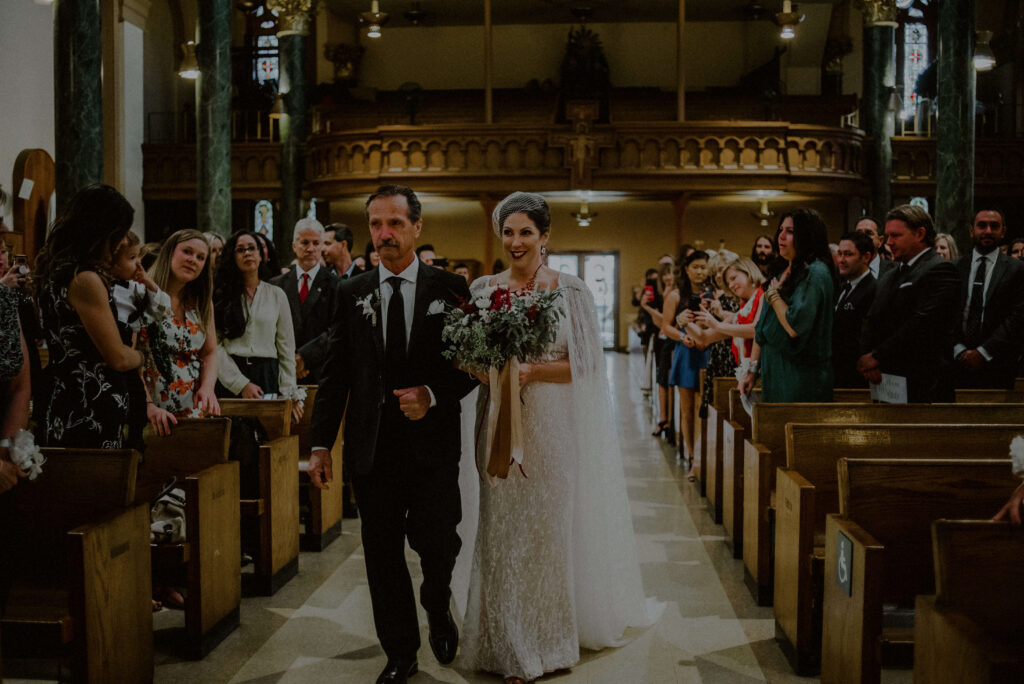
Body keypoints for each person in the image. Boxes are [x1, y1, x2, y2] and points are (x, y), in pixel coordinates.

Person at [459, 191, 657, 684]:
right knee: (501, 529)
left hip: (552, 430)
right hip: (498, 425)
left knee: (548, 532)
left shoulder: (571, 292)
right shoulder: (484, 290)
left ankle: (548, 639)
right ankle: (504, 642)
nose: (516, 241)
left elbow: (586, 365)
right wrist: (486, 369)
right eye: (508, 231)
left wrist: (532, 372)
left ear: (546, 237)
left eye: (526, 232)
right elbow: (466, 357)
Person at [306, 185, 475, 684]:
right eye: (376, 224)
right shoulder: (350, 292)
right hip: (373, 447)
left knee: (439, 543)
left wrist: (432, 392)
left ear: (417, 227)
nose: (384, 234)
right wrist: (320, 444)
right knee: (382, 555)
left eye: (395, 223)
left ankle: (438, 603)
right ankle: (400, 653)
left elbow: (471, 367)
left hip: (433, 446)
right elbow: (336, 374)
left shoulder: (449, 289)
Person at [35, 184, 145, 448]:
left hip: (67, 397)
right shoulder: (84, 279)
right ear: (102, 231)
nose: (120, 242)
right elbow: (117, 357)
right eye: (118, 233)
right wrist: (143, 356)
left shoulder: (58, 270)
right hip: (89, 405)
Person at [858, 204, 961, 402]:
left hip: (924, 382)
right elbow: (871, 318)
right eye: (887, 236)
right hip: (886, 380)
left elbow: (922, 324)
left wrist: (877, 357)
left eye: (896, 236)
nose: (889, 243)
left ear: (920, 234)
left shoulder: (940, 270)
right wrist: (866, 356)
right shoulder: (890, 274)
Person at [740, 209, 836, 402]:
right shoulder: (782, 270)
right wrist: (752, 370)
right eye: (781, 229)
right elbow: (762, 327)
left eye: (790, 231)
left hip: (800, 373)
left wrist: (774, 296)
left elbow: (794, 326)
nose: (781, 236)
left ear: (807, 236)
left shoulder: (816, 272)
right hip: (774, 367)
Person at [213, 231, 303, 421]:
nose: (247, 253)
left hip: (266, 373)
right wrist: (241, 384)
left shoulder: (277, 294)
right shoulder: (222, 295)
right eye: (240, 250)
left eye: (252, 248)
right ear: (232, 256)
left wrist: (289, 393)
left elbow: (286, 348)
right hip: (230, 374)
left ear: (261, 255)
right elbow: (215, 346)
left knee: (264, 440)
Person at [139, 229, 220, 431]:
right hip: (150, 406)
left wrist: (208, 387)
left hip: (190, 404)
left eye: (201, 257)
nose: (193, 260)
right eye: (187, 252)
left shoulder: (200, 301)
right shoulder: (142, 292)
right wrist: (147, 405)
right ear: (169, 253)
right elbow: (133, 355)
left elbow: (210, 352)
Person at [107, 231, 173, 450]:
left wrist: (148, 281)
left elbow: (163, 309)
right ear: (112, 262)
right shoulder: (100, 287)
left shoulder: (137, 288)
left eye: (139, 258)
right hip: (110, 357)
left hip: (130, 360)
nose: (138, 264)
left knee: (135, 417)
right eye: (132, 258)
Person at [952, 209, 1024, 390]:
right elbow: (946, 314)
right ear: (971, 231)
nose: (988, 231)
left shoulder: (1016, 269)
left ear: (1003, 231)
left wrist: (983, 352)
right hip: (956, 363)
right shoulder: (955, 267)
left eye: (994, 226)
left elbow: (1017, 316)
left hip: (998, 362)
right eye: (982, 225)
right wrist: (959, 350)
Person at [270, 218, 341, 385]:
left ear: (322, 246)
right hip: (283, 371)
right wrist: (290, 360)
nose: (310, 248)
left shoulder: (336, 285)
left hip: (321, 371)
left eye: (316, 243)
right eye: (305, 242)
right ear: (294, 246)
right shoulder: (275, 285)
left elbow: (337, 329)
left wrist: (304, 357)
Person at [661, 249, 711, 476]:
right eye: (696, 267)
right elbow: (666, 326)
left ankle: (708, 456)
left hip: (709, 352)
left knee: (709, 409)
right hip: (686, 353)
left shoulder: (714, 294)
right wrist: (683, 336)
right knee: (688, 409)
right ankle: (693, 458)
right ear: (687, 270)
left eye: (703, 267)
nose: (700, 271)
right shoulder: (675, 295)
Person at [688, 256, 765, 376]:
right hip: (747, 368)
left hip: (765, 368)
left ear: (748, 272)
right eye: (729, 283)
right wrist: (685, 322)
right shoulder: (741, 311)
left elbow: (756, 330)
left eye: (734, 278)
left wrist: (717, 324)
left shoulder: (765, 295)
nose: (731, 285)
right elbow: (704, 338)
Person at [832, 231, 877, 388]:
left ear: (865, 257)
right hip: (838, 374)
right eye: (840, 254)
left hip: (857, 379)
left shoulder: (874, 289)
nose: (841, 260)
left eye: (848, 254)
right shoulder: (843, 287)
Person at [639, 263, 674, 444]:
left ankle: (667, 420)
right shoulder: (660, 294)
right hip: (663, 338)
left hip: (673, 339)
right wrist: (647, 307)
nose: (668, 277)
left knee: (667, 380)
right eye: (665, 274)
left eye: (671, 273)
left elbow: (666, 321)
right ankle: (663, 419)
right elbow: (660, 321)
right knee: (662, 380)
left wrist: (648, 308)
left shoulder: (676, 293)